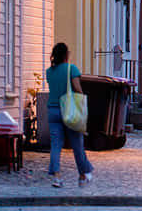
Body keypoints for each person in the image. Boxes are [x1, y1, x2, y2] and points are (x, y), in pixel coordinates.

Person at [45, 43, 94, 188]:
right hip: (69, 111)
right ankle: (82, 175)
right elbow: (77, 89)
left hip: (52, 111)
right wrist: (83, 101)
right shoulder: (71, 69)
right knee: (77, 144)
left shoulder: (49, 71)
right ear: (66, 54)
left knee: (56, 145)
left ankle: (57, 177)